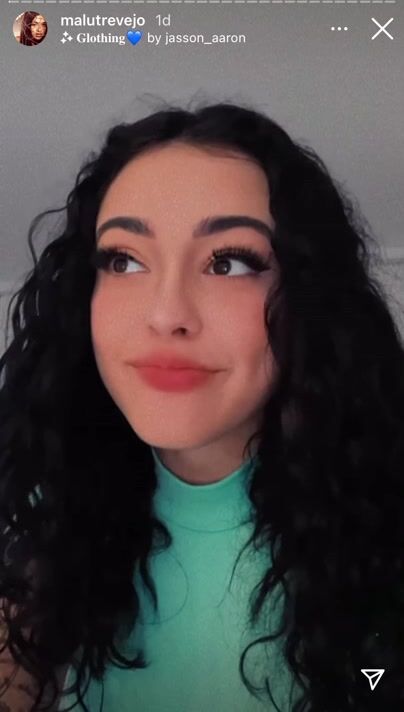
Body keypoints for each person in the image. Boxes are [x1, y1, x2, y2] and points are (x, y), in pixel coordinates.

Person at [0, 99, 403, 712]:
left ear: (307, 298)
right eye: (123, 260)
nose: (167, 314)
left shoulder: (384, 523)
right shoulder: (47, 509)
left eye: (229, 262)